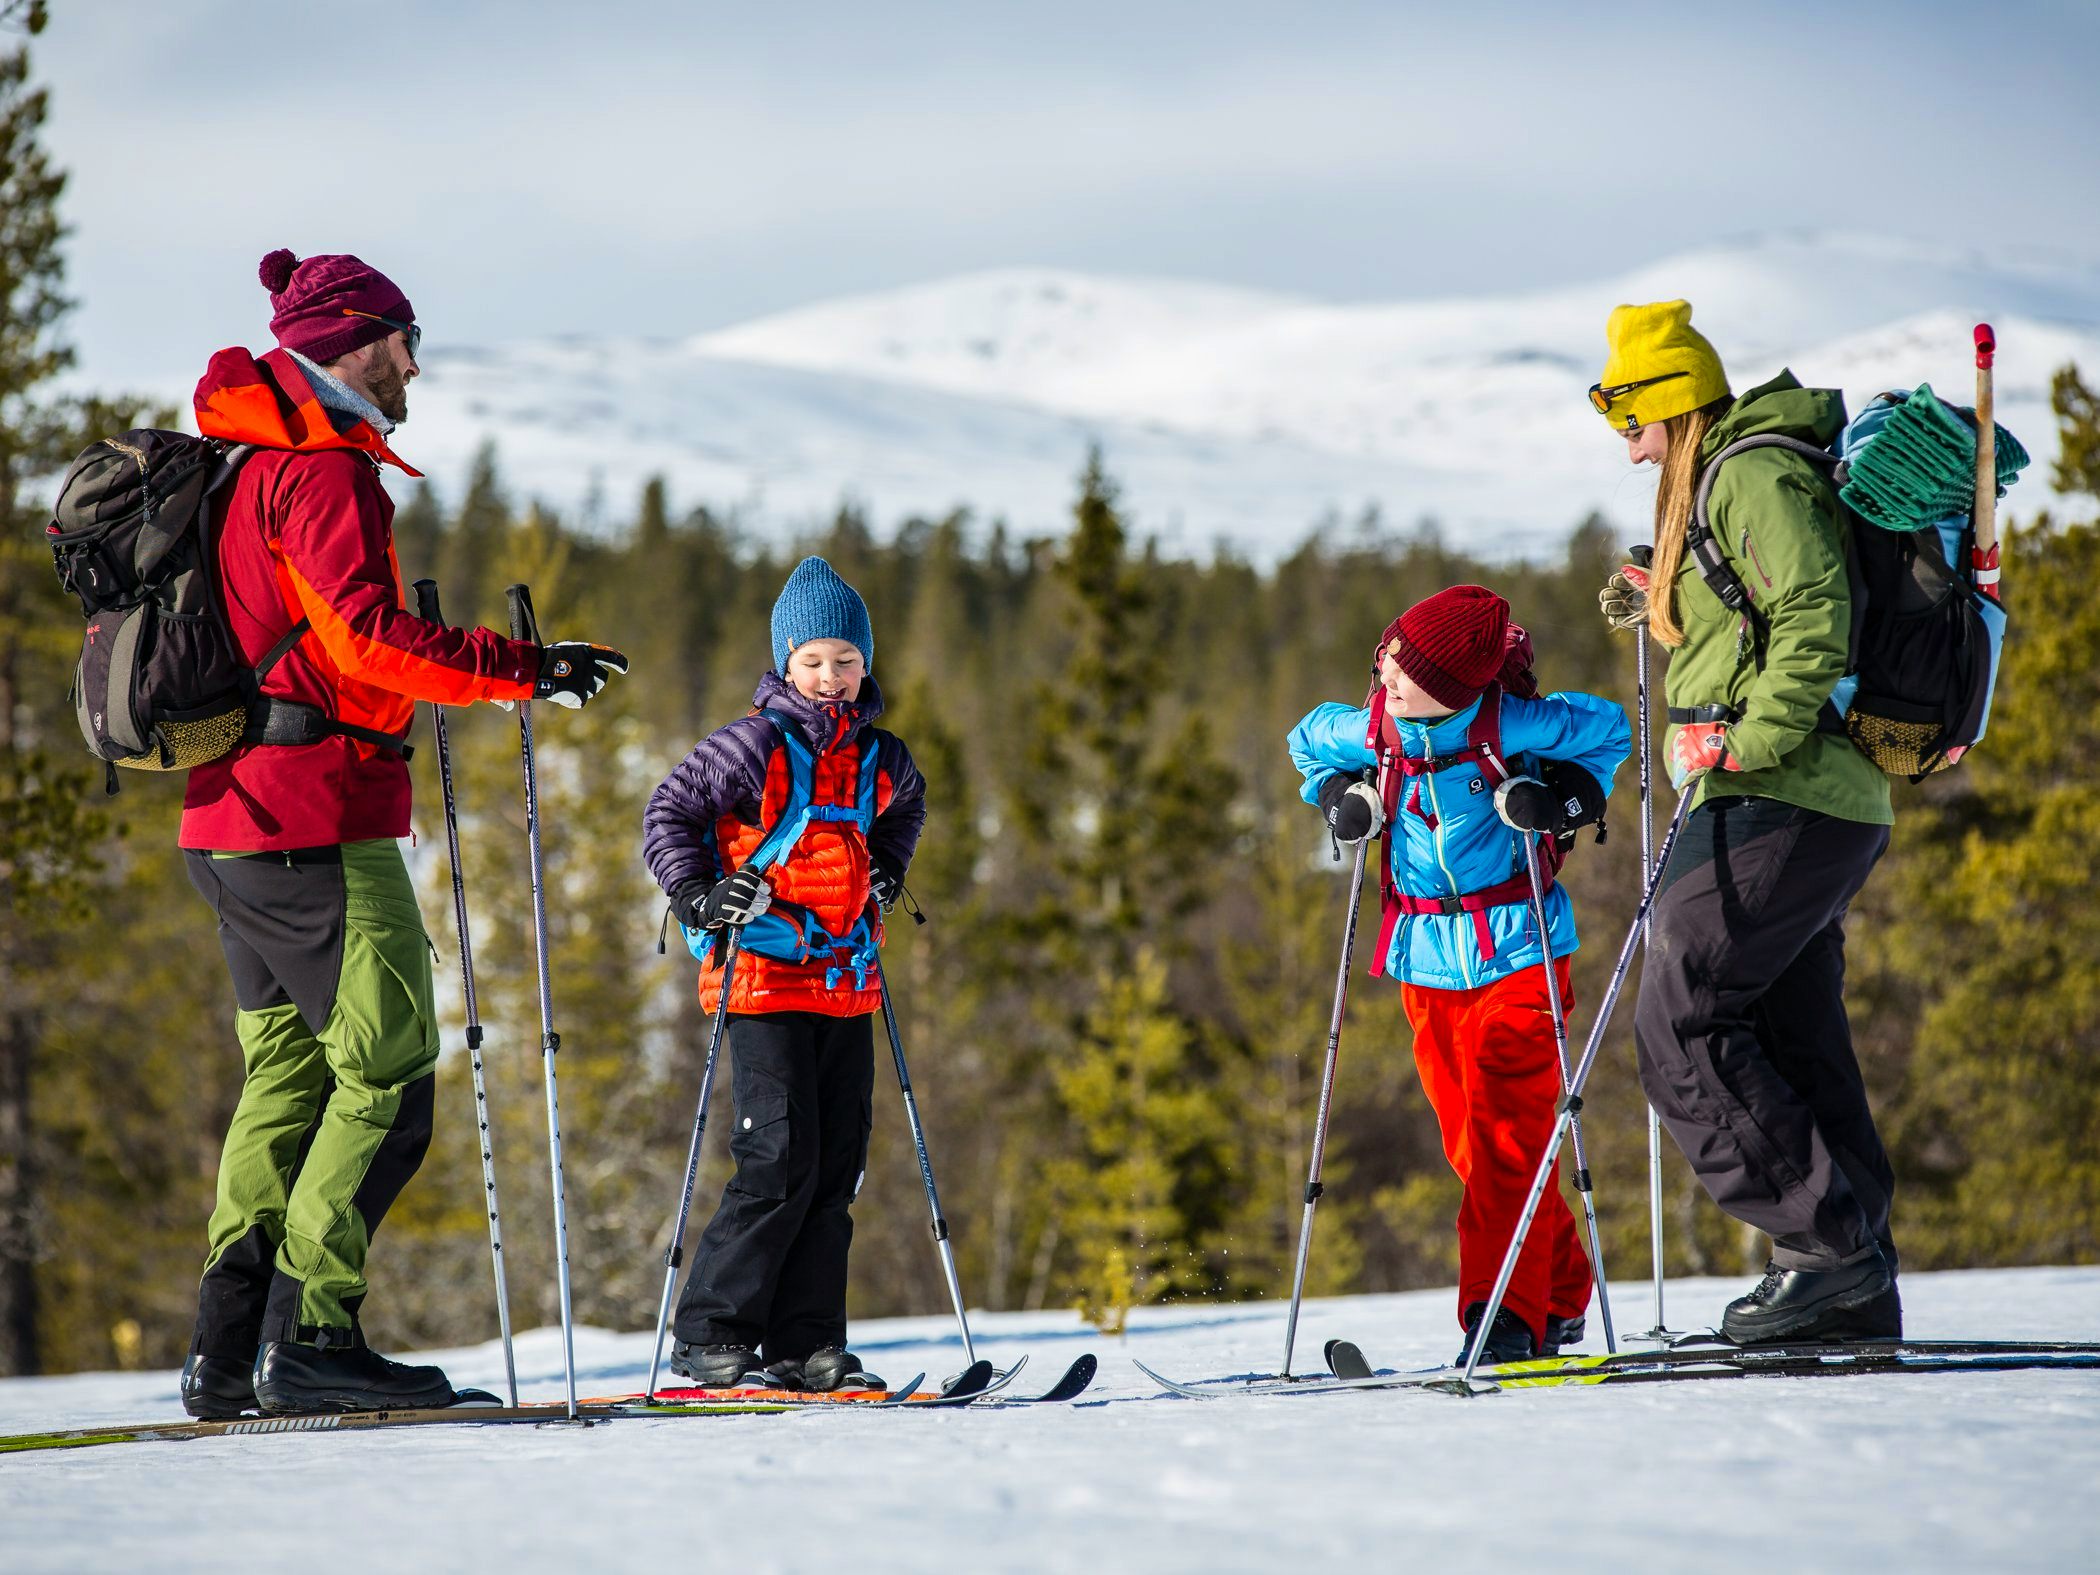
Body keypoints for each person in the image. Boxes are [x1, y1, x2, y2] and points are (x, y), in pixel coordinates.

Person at [178, 249, 629, 1418]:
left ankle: (227, 1351)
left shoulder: (241, 461)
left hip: (231, 818)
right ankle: (311, 1336)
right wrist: (525, 670)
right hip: (317, 815)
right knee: (384, 1077)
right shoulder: (318, 471)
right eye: (401, 337)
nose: (415, 361)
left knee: (286, 1074)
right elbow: (369, 640)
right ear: (349, 341)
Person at [1594, 299, 1900, 1344]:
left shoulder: (1749, 472)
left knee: (1678, 1016)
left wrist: (1745, 741)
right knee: (1786, 1027)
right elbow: (1761, 608)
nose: (1629, 448)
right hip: (1808, 798)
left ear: (1671, 404)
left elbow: (1816, 609)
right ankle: (1854, 1287)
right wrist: (1667, 590)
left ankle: (1824, 1249)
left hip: (1783, 790)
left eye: (1628, 418)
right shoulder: (1725, 480)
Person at [1288, 585, 1629, 1364]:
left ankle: (1502, 1319)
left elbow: (1608, 731)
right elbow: (1306, 739)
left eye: (1410, 666)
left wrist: (1569, 796)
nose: (1389, 669)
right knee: (1476, 1149)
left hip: (1521, 948)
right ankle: (1561, 1295)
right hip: (1423, 957)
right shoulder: (1370, 727)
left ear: (1455, 685)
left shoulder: (1506, 722)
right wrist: (1341, 791)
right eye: (1391, 652)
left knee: (1509, 1134)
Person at [642, 556, 925, 1392]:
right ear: (785, 664)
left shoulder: (884, 756)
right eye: (813, 661)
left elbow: (905, 811)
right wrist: (697, 891)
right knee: (777, 1157)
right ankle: (709, 1333)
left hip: (847, 982)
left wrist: (889, 872)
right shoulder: (752, 742)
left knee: (836, 1165)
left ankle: (805, 1345)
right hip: (761, 978)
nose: (831, 677)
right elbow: (669, 809)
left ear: (866, 663)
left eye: (845, 659)